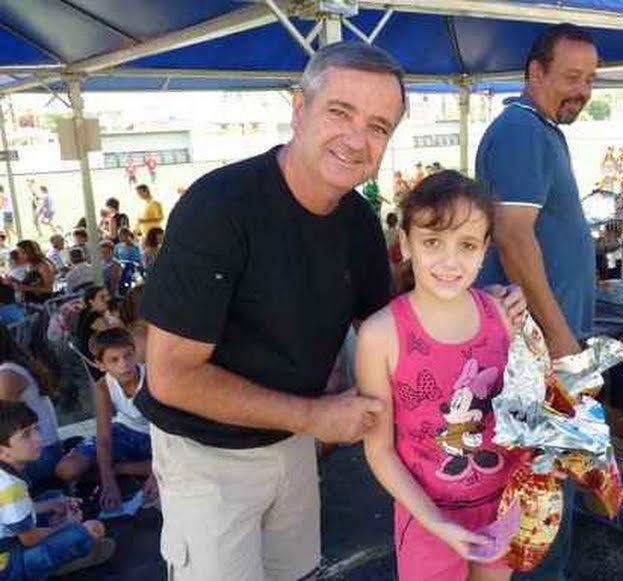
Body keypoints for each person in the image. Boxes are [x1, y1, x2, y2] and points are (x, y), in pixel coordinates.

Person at [137, 42, 524, 581]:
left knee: (295, 573)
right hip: (209, 455)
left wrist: (482, 307)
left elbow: (399, 324)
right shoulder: (219, 207)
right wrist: (313, 417)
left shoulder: (357, 222)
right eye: (340, 112)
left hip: (294, 443)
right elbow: (171, 376)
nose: (356, 139)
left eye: (378, 126)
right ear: (300, 109)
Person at [474, 22, 598, 579]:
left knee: (549, 478)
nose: (583, 90)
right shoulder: (521, 131)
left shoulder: (542, 129)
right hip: (536, 350)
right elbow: (513, 237)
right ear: (534, 72)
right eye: (571, 77)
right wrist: (563, 338)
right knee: (539, 486)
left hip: (545, 344)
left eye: (590, 79)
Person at [358, 171, 517, 581]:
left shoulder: (502, 317)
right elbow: (379, 450)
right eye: (432, 242)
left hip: (502, 507)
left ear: (484, 250)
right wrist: (436, 523)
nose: (450, 261)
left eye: (467, 245)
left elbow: (525, 410)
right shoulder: (379, 335)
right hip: (426, 518)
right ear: (405, 243)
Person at [0, 401, 115, 578]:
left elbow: (11, 511)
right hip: (9, 565)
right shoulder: (10, 487)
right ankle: (61, 560)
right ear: (2, 452)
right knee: (88, 530)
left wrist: (52, 504)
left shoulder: (7, 476)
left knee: (52, 497)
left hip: (11, 540)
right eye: (26, 435)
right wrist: (67, 526)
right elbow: (29, 539)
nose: (38, 438)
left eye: (36, 429)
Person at [55, 329, 155, 510]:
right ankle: (115, 469)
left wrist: (156, 474)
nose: (124, 364)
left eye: (128, 355)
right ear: (101, 365)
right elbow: (104, 438)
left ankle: (119, 468)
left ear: (135, 353)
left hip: (155, 437)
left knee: (175, 466)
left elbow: (169, 431)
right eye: (114, 360)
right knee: (66, 469)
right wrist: (108, 484)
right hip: (124, 432)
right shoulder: (104, 386)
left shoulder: (152, 379)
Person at [0, 325, 61, 485]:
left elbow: (3, 424)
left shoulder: (7, 375)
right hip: (43, 451)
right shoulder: (12, 366)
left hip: (39, 457)